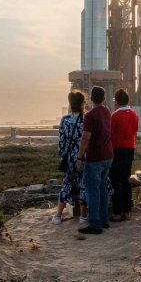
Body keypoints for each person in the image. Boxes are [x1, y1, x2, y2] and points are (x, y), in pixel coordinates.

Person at [76, 85, 114, 235]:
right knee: (103, 188)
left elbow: (85, 138)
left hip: (95, 157)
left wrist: (80, 156)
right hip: (108, 155)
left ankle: (94, 223)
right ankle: (104, 219)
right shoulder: (107, 112)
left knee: (93, 190)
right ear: (104, 99)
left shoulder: (89, 116)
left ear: (91, 99)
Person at [54, 90, 87, 225]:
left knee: (66, 184)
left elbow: (61, 140)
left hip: (68, 158)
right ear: (81, 103)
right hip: (81, 157)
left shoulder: (65, 119)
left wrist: (62, 156)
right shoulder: (85, 119)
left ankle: (58, 215)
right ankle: (83, 216)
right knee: (83, 185)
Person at [109, 89, 139, 222]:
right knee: (126, 179)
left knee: (115, 180)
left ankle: (116, 211)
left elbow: (110, 134)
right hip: (130, 148)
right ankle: (127, 211)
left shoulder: (114, 116)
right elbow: (135, 132)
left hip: (117, 148)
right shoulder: (134, 114)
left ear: (116, 102)